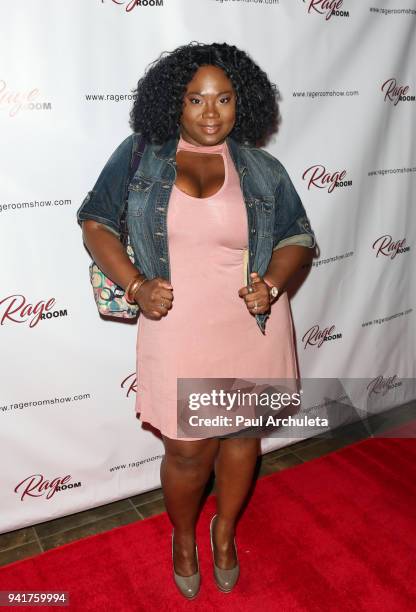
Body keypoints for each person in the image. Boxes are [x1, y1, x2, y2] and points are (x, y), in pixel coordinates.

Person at [76, 42, 316, 599]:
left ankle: (225, 531)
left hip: (251, 326)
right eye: (196, 99)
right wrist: (136, 284)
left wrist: (273, 284)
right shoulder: (141, 155)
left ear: (242, 103)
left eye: (224, 99)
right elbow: (94, 221)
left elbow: (297, 237)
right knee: (187, 450)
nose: (211, 113)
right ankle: (184, 537)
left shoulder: (262, 168)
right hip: (177, 324)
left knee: (239, 439)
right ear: (174, 104)